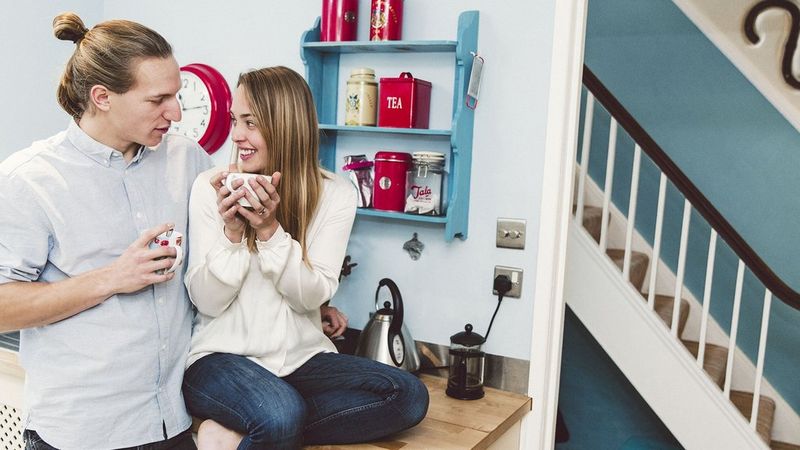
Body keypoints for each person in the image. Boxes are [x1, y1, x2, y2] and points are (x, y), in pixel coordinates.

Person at [182, 66, 429, 450]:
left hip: (302, 359)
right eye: (235, 120)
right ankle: (273, 421)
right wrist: (232, 235)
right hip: (219, 357)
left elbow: (311, 297)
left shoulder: (336, 194)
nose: (236, 136)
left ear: (284, 125)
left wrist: (269, 232)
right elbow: (207, 302)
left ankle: (243, 430)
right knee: (280, 414)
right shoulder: (210, 187)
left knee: (408, 395)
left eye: (250, 122)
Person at [0, 13, 213, 449]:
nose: (175, 112)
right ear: (102, 97)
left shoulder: (188, 159)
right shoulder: (29, 179)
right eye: (158, 100)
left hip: (172, 422)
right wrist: (113, 277)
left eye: (177, 95)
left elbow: (211, 266)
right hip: (81, 432)